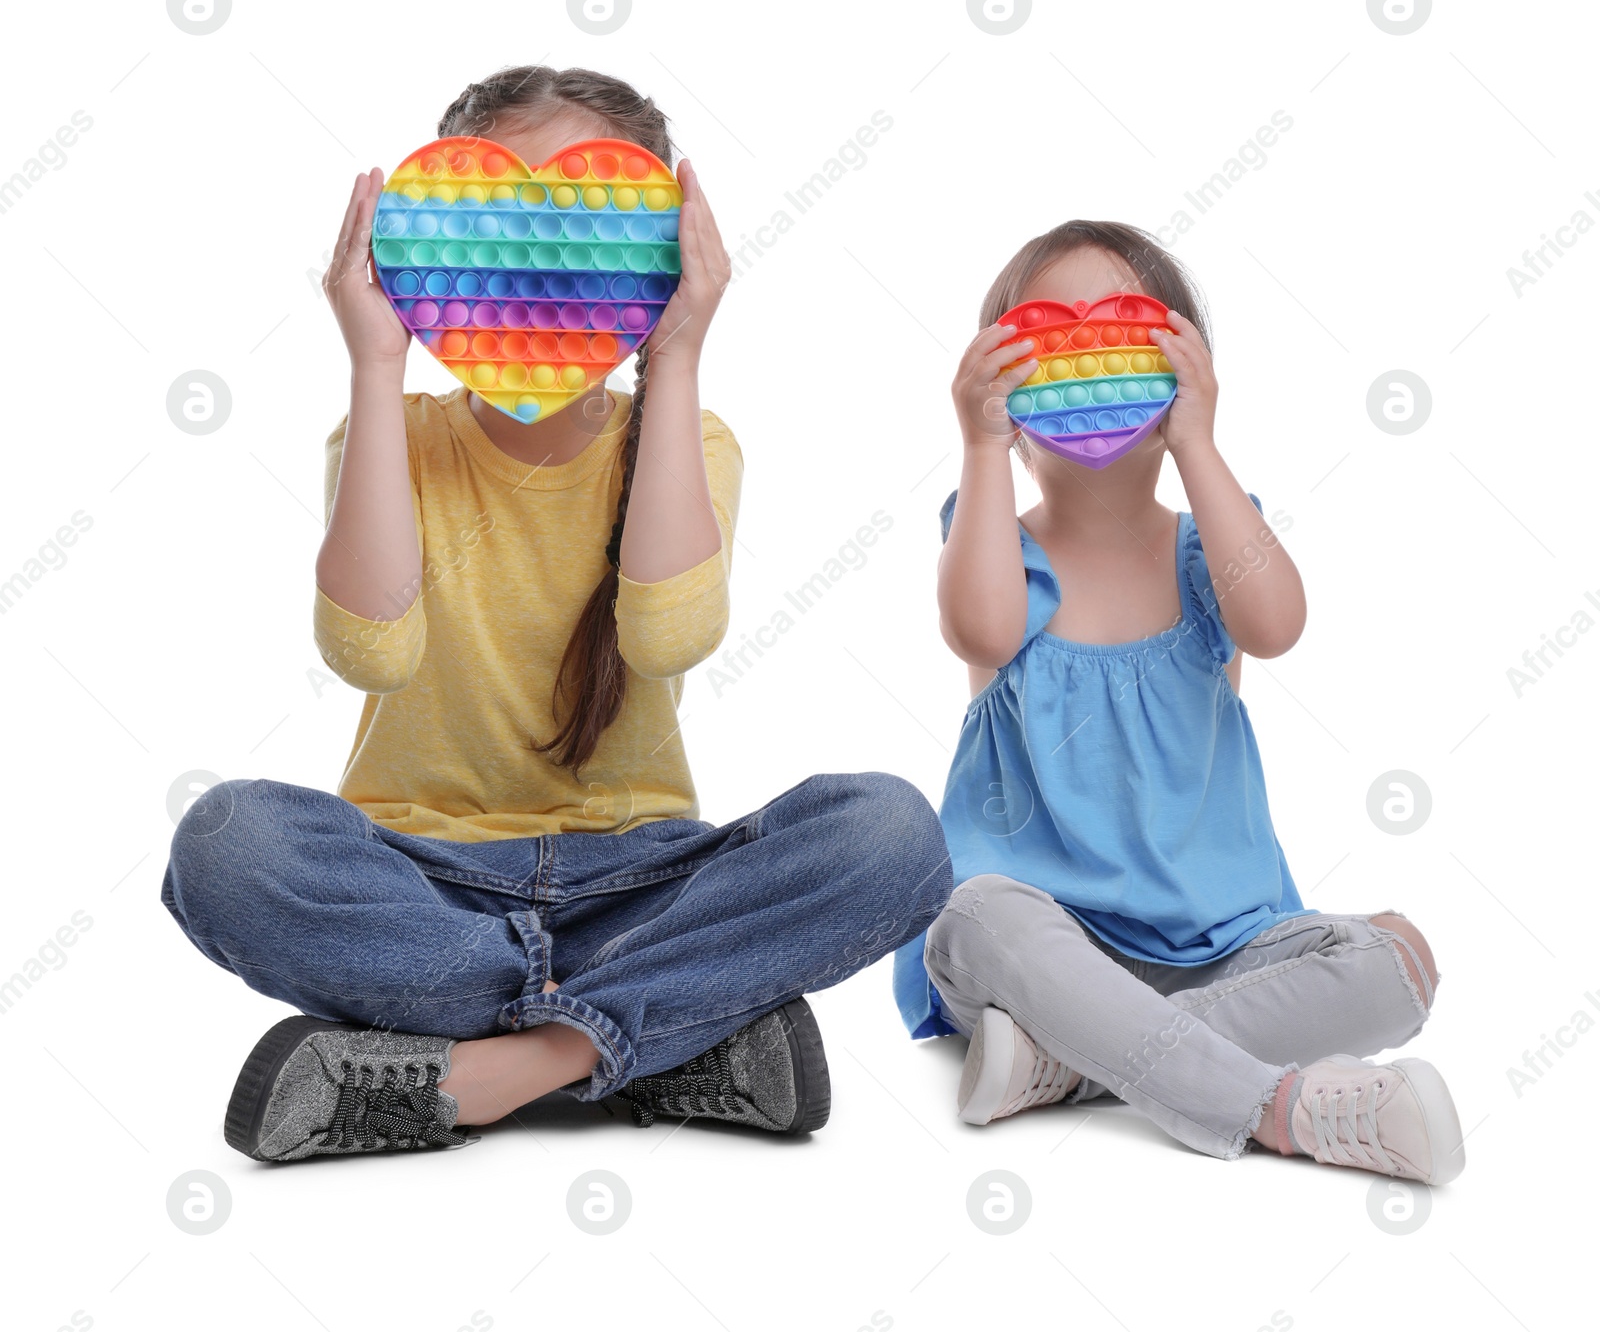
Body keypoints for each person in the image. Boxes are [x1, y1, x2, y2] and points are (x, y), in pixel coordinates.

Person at [162, 66, 950, 1162]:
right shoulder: (392, 436)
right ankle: (666, 1036)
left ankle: (489, 1069)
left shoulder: (692, 439)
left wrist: (675, 353)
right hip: (422, 878)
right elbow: (369, 649)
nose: (536, 265)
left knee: (892, 833)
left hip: (636, 878)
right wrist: (373, 363)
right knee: (227, 840)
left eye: (584, 227)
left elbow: (668, 636)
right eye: (492, 224)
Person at [894, 221, 1462, 1185]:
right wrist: (978, 446)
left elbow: (1278, 622)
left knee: (1397, 957)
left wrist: (1198, 440)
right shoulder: (999, 547)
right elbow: (981, 631)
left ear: (1181, 369)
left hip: (1218, 948)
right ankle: (1274, 1108)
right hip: (1042, 950)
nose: (1085, 369)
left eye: (1117, 340)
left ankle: (1068, 1066)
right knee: (973, 912)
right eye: (1050, 345)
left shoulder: (1209, 556)